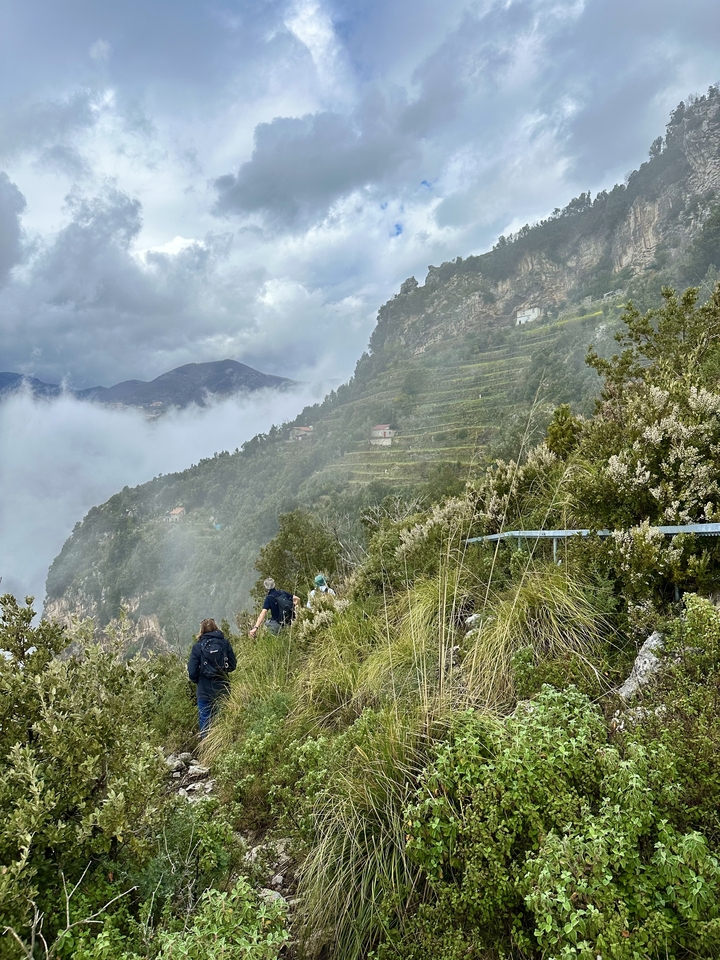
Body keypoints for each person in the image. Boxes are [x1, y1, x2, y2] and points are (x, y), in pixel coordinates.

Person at [187, 618, 237, 737]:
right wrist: (223, 671)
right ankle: (223, 746)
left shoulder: (197, 647)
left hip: (204, 690)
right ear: (216, 627)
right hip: (222, 687)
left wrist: (197, 681)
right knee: (222, 718)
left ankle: (206, 747)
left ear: (202, 630)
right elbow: (233, 665)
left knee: (205, 720)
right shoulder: (224, 643)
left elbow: (192, 672)